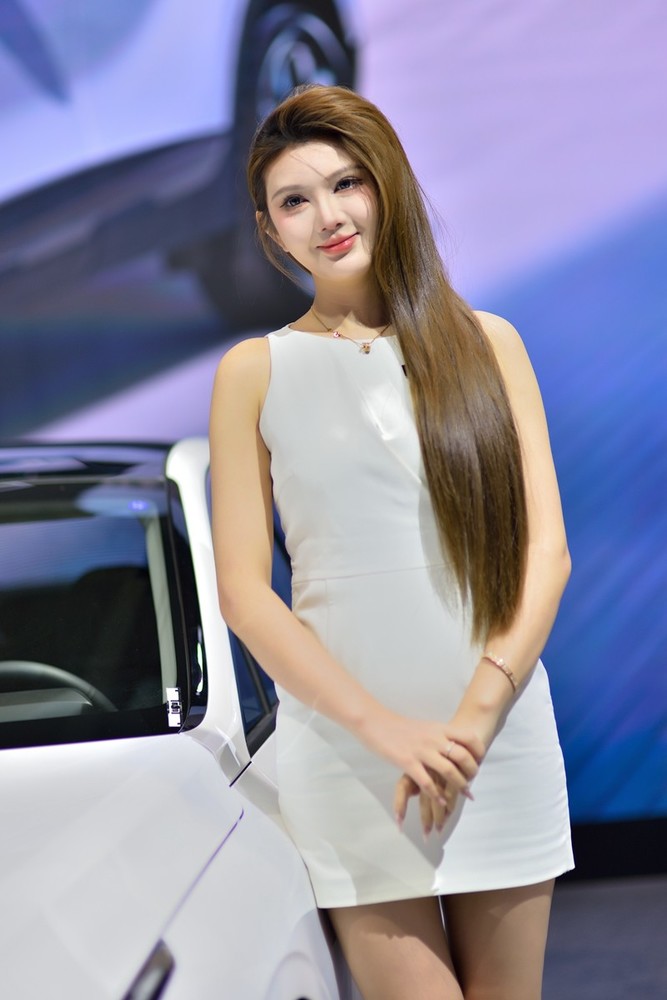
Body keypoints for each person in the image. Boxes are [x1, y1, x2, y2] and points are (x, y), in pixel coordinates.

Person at [209, 84, 573, 1000]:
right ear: (269, 230)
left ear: (387, 184)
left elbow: (546, 556)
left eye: (346, 184)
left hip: (494, 742)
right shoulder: (253, 371)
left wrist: (473, 722)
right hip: (349, 756)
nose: (328, 217)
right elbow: (246, 593)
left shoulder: (487, 344)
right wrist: (387, 732)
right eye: (295, 201)